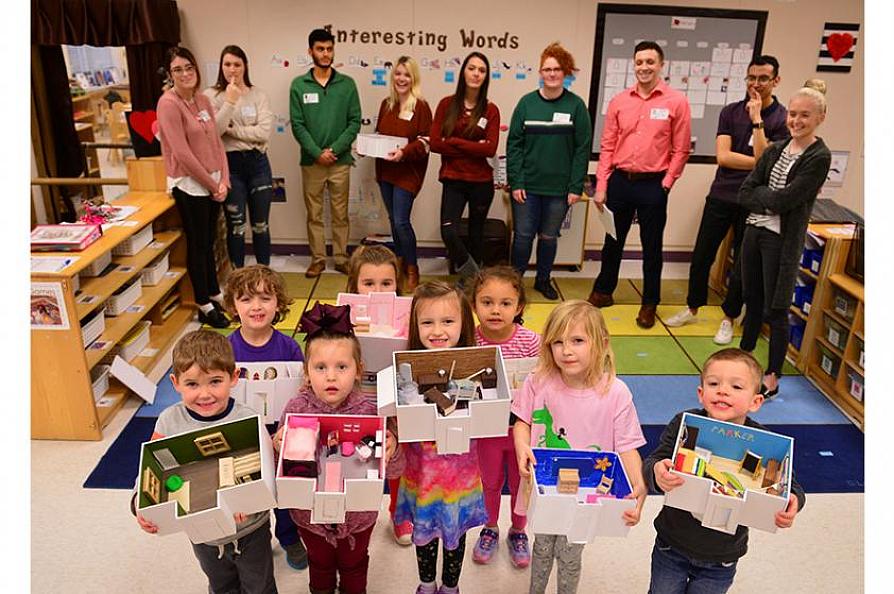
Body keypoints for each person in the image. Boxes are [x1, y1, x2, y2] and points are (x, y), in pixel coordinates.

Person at [643, 348, 806, 593]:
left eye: (736, 387)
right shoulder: (683, 423)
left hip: (723, 556)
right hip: (671, 544)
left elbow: (790, 486)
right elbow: (654, 461)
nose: (723, 390)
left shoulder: (766, 441)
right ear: (701, 393)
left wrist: (793, 501)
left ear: (756, 401)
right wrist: (657, 471)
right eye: (713, 383)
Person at [513, 300, 647, 594]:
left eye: (577, 340)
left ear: (601, 342)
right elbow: (521, 421)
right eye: (557, 342)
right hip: (544, 485)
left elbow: (627, 446)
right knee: (543, 546)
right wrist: (522, 446)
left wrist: (638, 483)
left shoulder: (616, 392)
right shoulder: (539, 381)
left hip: (588, 493)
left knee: (571, 554)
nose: (566, 350)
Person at [273, 302, 404, 594]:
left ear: (359, 371)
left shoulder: (371, 411)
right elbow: (278, 470)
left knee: (354, 565)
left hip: (358, 517)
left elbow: (396, 470)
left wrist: (393, 448)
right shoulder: (296, 407)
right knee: (319, 566)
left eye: (341, 367)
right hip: (309, 516)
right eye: (320, 368)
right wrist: (277, 445)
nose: (331, 376)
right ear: (306, 373)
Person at [134, 330, 276, 593]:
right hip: (203, 534)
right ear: (175, 383)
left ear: (234, 377)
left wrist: (250, 502)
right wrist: (140, 506)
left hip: (251, 530)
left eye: (215, 381)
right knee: (220, 584)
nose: (205, 394)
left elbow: (267, 469)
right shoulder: (168, 420)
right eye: (192, 384)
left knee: (260, 586)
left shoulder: (248, 416)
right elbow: (148, 468)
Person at [664, 56, 789, 345]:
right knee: (702, 255)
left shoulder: (782, 119)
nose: (756, 84)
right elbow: (723, 156)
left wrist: (758, 121)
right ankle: (692, 306)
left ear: (775, 81)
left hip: (755, 201)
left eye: (763, 78)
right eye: (751, 78)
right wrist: (758, 159)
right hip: (721, 194)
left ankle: (728, 318)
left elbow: (768, 164)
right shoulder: (730, 112)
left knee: (743, 264)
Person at [588, 41, 691, 329]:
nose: (644, 67)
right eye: (639, 62)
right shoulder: (620, 101)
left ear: (661, 65)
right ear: (634, 65)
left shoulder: (676, 102)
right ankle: (604, 290)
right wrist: (601, 184)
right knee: (612, 241)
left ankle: (649, 302)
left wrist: (667, 184)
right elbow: (607, 145)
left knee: (652, 247)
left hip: (653, 184)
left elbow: (681, 149)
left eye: (650, 62)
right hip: (620, 180)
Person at [736, 84, 831, 398]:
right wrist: (769, 199)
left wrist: (767, 198)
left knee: (776, 309)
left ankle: (773, 374)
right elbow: (746, 192)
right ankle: (742, 359)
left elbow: (788, 200)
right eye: (792, 114)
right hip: (754, 231)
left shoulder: (818, 156)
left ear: (820, 117)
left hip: (780, 240)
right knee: (752, 298)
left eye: (805, 115)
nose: (796, 121)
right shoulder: (776, 149)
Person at [394, 281, 488, 594]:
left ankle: (450, 587)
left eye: (448, 321)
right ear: (415, 325)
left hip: (458, 476)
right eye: (427, 322)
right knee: (424, 533)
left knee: (454, 534)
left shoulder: (475, 366)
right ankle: (425, 584)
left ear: (464, 324)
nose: (438, 331)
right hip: (423, 474)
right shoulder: (405, 367)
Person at [223, 265, 308, 571]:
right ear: (234, 306)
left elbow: (302, 393)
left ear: (278, 303)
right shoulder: (226, 348)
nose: (256, 306)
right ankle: (255, 538)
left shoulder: (289, 347)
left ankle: (289, 537)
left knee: (285, 490)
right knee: (250, 489)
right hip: (244, 434)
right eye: (246, 299)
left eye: (264, 297)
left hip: (283, 434)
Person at [467, 266, 541, 569]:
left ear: (519, 306)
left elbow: (546, 384)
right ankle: (490, 527)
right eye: (486, 302)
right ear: (473, 305)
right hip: (487, 430)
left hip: (524, 430)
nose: (495, 310)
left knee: (523, 481)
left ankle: (519, 531)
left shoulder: (533, 341)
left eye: (505, 303)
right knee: (490, 481)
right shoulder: (468, 338)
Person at [507, 43, 592, 301]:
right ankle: (515, 283)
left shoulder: (576, 106)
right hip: (527, 187)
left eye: (556, 69)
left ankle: (543, 280)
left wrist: (575, 186)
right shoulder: (526, 103)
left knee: (549, 237)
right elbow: (514, 145)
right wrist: (516, 181)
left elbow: (582, 149)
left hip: (559, 190)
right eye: (547, 69)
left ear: (565, 72)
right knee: (522, 237)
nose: (552, 74)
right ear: (540, 72)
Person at [157, 46, 231, 328]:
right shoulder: (168, 104)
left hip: (214, 183)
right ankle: (203, 302)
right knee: (198, 245)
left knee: (211, 242)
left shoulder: (202, 99)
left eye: (189, 67)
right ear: (170, 74)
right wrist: (213, 184)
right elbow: (183, 154)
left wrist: (224, 178)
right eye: (178, 70)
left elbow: (216, 141)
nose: (185, 74)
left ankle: (215, 293)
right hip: (191, 185)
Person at [343, 244, 412, 545]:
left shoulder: (406, 318)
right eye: (368, 283)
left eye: (387, 283)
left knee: (397, 462)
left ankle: (399, 513)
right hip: (358, 404)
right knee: (356, 460)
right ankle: (352, 512)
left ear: (398, 285)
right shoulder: (343, 318)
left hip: (394, 406)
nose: (378, 291)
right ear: (354, 286)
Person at [290, 28, 362, 278]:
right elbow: (297, 124)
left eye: (329, 49)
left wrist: (334, 150)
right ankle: (318, 259)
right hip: (312, 162)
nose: (325, 53)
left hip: (340, 162)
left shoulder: (347, 84)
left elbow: (355, 121)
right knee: (315, 214)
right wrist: (317, 152)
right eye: (320, 49)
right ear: (310, 51)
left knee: (341, 214)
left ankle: (341, 258)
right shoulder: (299, 85)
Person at [429, 52, 500, 286]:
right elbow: (436, 143)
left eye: (482, 70)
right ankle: (475, 277)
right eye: (472, 68)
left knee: (476, 234)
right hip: (453, 179)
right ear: (463, 72)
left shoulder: (490, 110)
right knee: (449, 231)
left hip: (481, 182)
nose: (476, 73)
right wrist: (472, 146)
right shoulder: (447, 105)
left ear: (486, 76)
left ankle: (471, 283)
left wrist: (454, 142)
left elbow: (490, 149)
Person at [205, 45, 275, 268]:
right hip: (229, 166)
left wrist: (232, 130)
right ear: (221, 67)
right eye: (227, 64)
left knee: (261, 225)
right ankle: (238, 276)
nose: (232, 69)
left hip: (258, 164)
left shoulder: (258, 95)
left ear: (245, 66)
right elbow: (215, 131)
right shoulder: (211, 96)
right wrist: (230, 101)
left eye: (237, 64)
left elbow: (263, 132)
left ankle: (265, 275)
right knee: (236, 226)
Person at [375, 56, 433, 292]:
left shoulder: (421, 106)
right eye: (398, 73)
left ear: (414, 78)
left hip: (407, 173)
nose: (401, 78)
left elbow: (426, 142)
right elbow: (379, 135)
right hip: (386, 172)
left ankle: (412, 267)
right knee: (392, 221)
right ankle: (398, 261)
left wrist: (404, 152)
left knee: (401, 222)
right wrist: (365, 146)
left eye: (407, 74)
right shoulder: (386, 104)